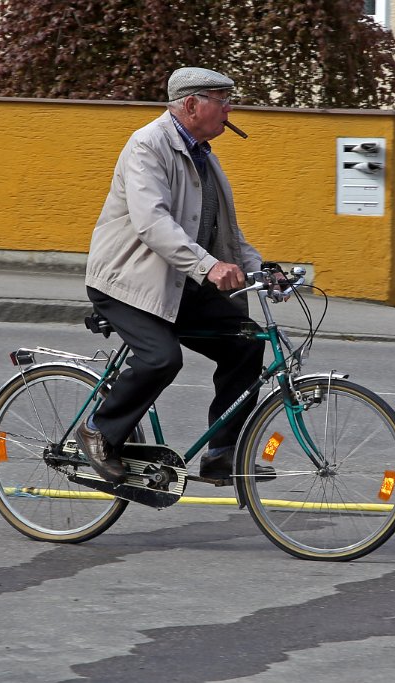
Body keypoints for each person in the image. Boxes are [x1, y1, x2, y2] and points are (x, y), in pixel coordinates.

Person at [77, 66, 275, 485]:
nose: (229, 108)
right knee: (161, 358)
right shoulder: (148, 146)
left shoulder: (204, 156)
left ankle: (222, 454)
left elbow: (228, 233)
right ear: (191, 104)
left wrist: (262, 270)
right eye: (222, 100)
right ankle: (99, 431)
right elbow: (153, 223)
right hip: (127, 281)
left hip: (179, 282)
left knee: (246, 345)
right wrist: (209, 267)